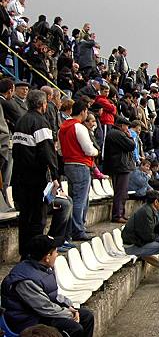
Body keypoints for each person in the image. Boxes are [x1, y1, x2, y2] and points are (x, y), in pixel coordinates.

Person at [0, 235, 95, 337]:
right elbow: (45, 307)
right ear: (47, 256)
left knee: (87, 317)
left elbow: (53, 295)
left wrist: (69, 305)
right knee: (73, 329)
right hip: (25, 320)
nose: (58, 254)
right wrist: (69, 314)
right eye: (56, 251)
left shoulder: (42, 268)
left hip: (37, 314)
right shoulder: (25, 279)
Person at [11, 90, 60, 259]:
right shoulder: (41, 122)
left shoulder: (20, 121)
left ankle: (24, 252)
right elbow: (47, 151)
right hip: (35, 178)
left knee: (24, 217)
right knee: (37, 219)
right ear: (42, 104)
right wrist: (55, 176)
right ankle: (34, 255)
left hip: (20, 177)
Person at [58, 100, 98, 241]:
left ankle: (73, 228)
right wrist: (95, 151)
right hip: (80, 164)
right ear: (82, 112)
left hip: (68, 164)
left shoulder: (62, 127)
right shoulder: (79, 127)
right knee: (80, 199)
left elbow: (60, 150)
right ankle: (78, 229)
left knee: (73, 198)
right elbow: (88, 149)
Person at [103, 116, 135, 223]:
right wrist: (130, 137)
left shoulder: (115, 133)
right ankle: (117, 215)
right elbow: (131, 145)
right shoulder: (117, 134)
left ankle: (121, 214)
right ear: (121, 126)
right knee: (120, 192)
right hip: (119, 166)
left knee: (123, 192)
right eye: (126, 126)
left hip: (120, 166)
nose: (127, 129)